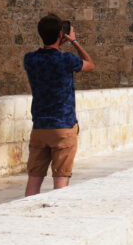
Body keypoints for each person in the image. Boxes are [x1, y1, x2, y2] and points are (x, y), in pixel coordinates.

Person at [23, 14, 96, 196]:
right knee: (60, 183)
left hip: (39, 128)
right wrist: (74, 42)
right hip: (63, 127)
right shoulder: (66, 60)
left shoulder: (30, 59)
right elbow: (90, 65)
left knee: (33, 181)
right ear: (61, 35)